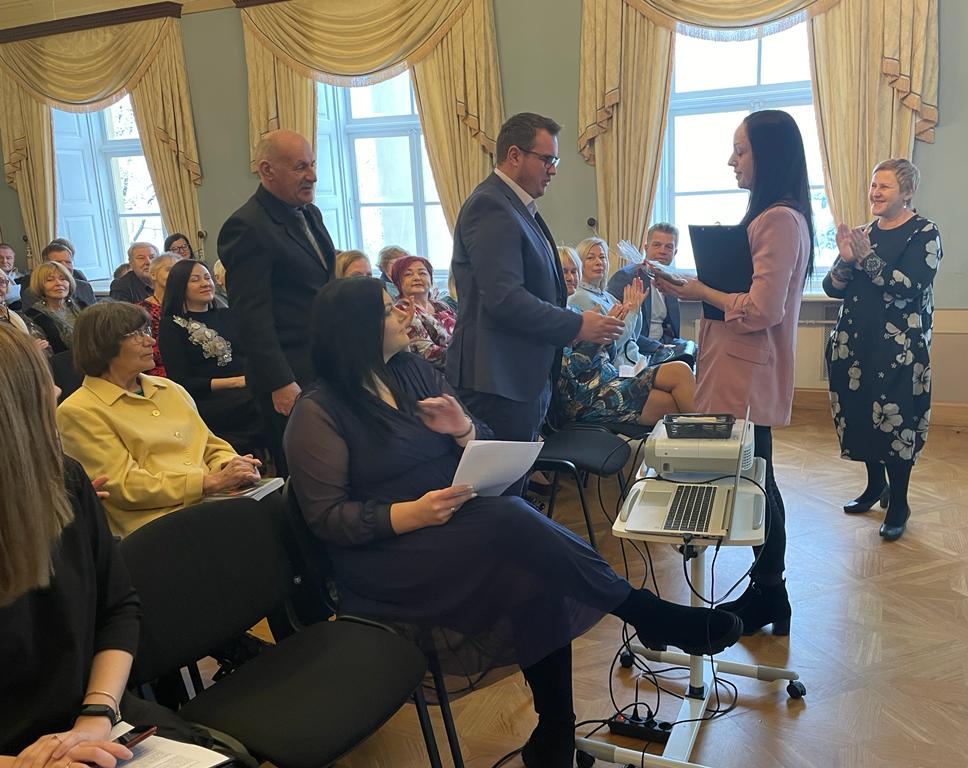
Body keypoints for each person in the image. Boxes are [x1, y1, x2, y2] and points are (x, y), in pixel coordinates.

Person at [283, 278, 741, 768]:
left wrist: (462, 429)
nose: (403, 311)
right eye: (387, 309)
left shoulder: (412, 371)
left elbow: (482, 433)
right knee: (510, 518)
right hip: (387, 557)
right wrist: (413, 513)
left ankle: (555, 734)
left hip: (455, 524)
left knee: (534, 574)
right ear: (355, 329)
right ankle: (647, 613)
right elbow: (327, 518)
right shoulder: (317, 413)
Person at [657, 110, 814, 636]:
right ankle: (769, 591)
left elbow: (763, 308)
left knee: (756, 480)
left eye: (740, 150)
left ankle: (771, 591)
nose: (731, 160)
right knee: (757, 477)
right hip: (737, 366)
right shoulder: (772, 216)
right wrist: (693, 287)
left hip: (747, 373)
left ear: (768, 155)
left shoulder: (779, 220)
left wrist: (701, 290)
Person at [0, 323, 141, 763]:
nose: (58, 389)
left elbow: (118, 608)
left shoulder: (65, 480)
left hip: (92, 720)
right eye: (40, 382)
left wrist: (95, 717)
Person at [446, 112, 624, 452]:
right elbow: (505, 299)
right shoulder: (490, 205)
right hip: (497, 379)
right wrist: (577, 324)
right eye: (547, 159)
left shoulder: (516, 206)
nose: (553, 170)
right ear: (514, 155)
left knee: (516, 477)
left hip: (520, 376)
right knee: (500, 480)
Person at [55, 302, 262, 537]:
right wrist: (208, 482)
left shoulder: (169, 389)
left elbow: (210, 446)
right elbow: (125, 486)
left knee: (272, 512)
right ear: (104, 345)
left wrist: (233, 466)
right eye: (136, 335)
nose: (150, 341)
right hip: (155, 526)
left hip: (209, 504)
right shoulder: (79, 411)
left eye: (146, 331)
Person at [823, 159, 941, 541]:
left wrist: (865, 258)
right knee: (860, 417)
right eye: (873, 185)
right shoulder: (862, 234)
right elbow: (831, 288)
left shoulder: (924, 233)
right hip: (854, 345)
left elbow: (910, 285)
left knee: (896, 423)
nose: (874, 192)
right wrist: (846, 259)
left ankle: (900, 503)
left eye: (884, 186)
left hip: (899, 350)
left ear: (907, 192)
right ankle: (876, 486)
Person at [218, 129, 335, 476]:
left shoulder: (309, 213)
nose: (312, 175)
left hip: (324, 364)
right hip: (289, 376)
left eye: (312, 164)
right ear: (267, 170)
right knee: (306, 474)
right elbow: (250, 316)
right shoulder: (246, 226)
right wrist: (280, 381)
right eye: (300, 167)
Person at [557, 247, 695, 426]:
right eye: (564, 272)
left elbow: (614, 350)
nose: (570, 277)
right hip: (584, 394)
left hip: (609, 377)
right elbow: (568, 371)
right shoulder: (558, 318)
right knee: (668, 404)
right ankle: (705, 438)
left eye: (574, 271)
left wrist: (611, 330)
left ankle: (708, 437)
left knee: (680, 369)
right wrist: (599, 337)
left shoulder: (575, 310)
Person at [160, 260, 266, 457]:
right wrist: (236, 382)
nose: (205, 283)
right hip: (210, 398)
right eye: (195, 279)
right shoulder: (171, 326)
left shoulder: (227, 315)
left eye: (207, 277)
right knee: (261, 403)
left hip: (248, 386)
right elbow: (183, 382)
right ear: (180, 286)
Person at [570, 237, 661, 368]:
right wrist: (632, 313)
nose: (599, 262)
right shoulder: (579, 297)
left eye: (602, 257)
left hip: (636, 362)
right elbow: (610, 346)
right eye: (590, 258)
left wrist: (636, 308)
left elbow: (632, 338)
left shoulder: (608, 296)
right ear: (580, 264)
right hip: (617, 369)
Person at [608, 223, 693, 361]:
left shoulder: (671, 279)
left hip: (663, 346)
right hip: (636, 350)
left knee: (697, 351)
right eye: (657, 245)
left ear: (675, 253)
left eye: (668, 247)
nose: (662, 251)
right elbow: (618, 329)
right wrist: (658, 347)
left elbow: (669, 329)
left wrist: (670, 346)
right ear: (646, 248)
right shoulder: (625, 277)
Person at [392, 254, 456, 369]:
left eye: (422, 273)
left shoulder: (441, 305)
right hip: (435, 373)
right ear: (398, 282)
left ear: (430, 279)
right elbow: (427, 352)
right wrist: (467, 356)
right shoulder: (402, 310)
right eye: (408, 274)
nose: (417, 278)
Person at [17, 241, 98, 310]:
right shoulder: (32, 293)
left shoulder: (84, 287)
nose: (65, 266)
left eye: (68, 262)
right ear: (46, 265)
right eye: (58, 262)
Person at [138, 252, 182, 377]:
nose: (175, 275)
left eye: (178, 272)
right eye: (169, 270)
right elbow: (143, 349)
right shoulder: (141, 310)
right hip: (158, 370)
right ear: (153, 274)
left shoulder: (189, 305)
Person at [24, 261, 81, 354]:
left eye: (63, 279)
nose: (59, 283)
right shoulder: (33, 316)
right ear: (40, 285)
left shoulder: (81, 305)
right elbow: (45, 351)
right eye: (50, 280)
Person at [1, 241, 24, 306]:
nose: (4, 261)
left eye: (8, 258)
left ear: (13, 259)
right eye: (0, 257)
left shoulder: (23, 275)